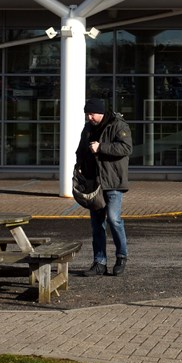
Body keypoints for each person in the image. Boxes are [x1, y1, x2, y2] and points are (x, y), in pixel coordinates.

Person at [77, 97, 132, 276]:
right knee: (96, 224)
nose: (89, 117)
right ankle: (99, 262)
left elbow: (126, 148)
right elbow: (81, 150)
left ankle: (121, 256)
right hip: (94, 183)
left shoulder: (118, 125)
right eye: (87, 114)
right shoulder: (87, 128)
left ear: (100, 112)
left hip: (113, 181)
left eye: (91, 114)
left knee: (114, 219)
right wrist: (81, 171)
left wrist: (101, 148)